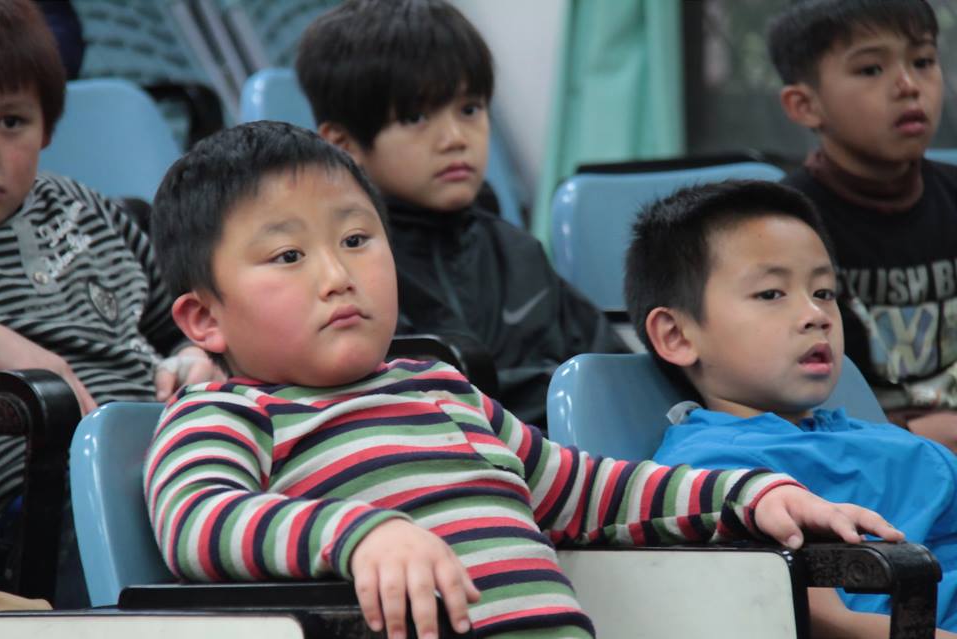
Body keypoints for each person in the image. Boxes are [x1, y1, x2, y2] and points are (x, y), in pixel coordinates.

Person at [144, 121, 904, 639]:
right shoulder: (227, 411)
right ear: (203, 318)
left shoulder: (442, 392)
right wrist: (361, 532)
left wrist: (748, 494)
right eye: (288, 256)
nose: (338, 275)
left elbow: (592, 493)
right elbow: (198, 521)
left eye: (356, 238)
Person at [626, 179, 957, 636]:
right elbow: (821, 621)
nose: (816, 315)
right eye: (771, 294)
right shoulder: (715, 477)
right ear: (677, 335)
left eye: (824, 293)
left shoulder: (886, 441)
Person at [294, 0, 627, 429]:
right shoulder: (341, 275)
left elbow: (614, 377)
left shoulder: (518, 252)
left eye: (470, 109)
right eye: (416, 117)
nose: (455, 138)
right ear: (344, 145)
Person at [0, 0, 219, 595]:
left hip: (172, 451)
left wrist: (192, 359)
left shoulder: (90, 209)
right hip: (40, 496)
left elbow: (175, 325)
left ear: (47, 128)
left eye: (11, 122)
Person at [768, 0, 957, 451]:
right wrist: (907, 434)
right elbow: (775, 392)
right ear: (804, 105)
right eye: (871, 69)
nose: (909, 86)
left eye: (923, 61)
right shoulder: (784, 226)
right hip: (854, 450)